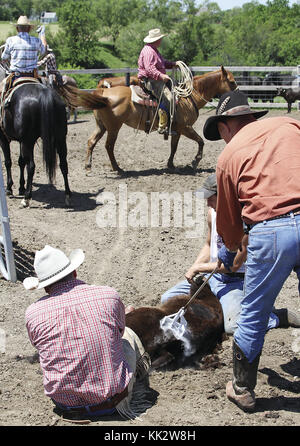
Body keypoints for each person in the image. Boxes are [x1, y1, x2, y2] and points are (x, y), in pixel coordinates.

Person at [203, 89, 300, 412]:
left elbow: (229, 224)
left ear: (223, 126)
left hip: (272, 232)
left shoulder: (229, 156)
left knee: (254, 311)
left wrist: (229, 255)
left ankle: (243, 387)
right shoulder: (290, 125)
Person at [161, 173, 300, 335]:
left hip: (236, 281)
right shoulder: (212, 214)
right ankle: (225, 307)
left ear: (224, 197)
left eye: (211, 198)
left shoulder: (244, 221)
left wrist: (200, 267)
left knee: (233, 327)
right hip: (213, 277)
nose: (207, 202)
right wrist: (195, 266)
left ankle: (274, 316)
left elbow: (234, 266)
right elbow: (209, 244)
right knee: (167, 299)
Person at [24, 245, 148, 422]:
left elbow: (38, 345)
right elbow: (119, 334)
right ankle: (137, 380)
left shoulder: (33, 313)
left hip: (65, 405)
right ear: (74, 272)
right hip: (112, 402)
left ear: (44, 287)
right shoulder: (108, 295)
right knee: (127, 335)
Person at [138, 28, 178, 135]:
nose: (161, 41)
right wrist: (161, 76)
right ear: (156, 40)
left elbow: (162, 63)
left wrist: (173, 64)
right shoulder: (149, 51)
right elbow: (149, 69)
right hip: (152, 81)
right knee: (168, 98)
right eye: (160, 39)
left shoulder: (154, 50)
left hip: (155, 79)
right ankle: (162, 126)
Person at [1, 16, 47, 88]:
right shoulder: (37, 41)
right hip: (33, 76)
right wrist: (42, 34)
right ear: (29, 29)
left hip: (16, 76)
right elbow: (44, 51)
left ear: (17, 28)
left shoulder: (10, 40)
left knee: (2, 90)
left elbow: (4, 57)